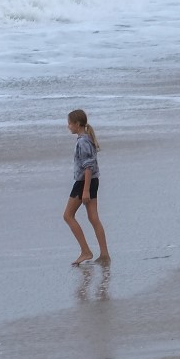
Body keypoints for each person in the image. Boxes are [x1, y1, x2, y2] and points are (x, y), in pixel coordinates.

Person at [64, 109, 109, 265]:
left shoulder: (83, 141)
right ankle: (104, 254)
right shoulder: (87, 139)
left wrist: (85, 190)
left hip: (85, 182)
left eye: (69, 123)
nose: (68, 126)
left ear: (77, 124)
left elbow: (88, 167)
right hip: (92, 181)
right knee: (93, 218)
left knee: (68, 216)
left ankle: (86, 251)